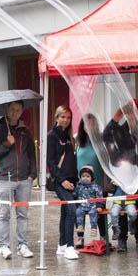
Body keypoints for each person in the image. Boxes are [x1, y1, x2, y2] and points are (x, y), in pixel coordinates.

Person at [0, 100, 36, 260]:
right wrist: (6, 144)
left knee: (22, 214)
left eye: (18, 109)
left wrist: (32, 174)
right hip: (5, 178)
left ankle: (23, 245)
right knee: (4, 214)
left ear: (22, 111)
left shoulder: (25, 131)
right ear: (7, 110)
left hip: (24, 179)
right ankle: (4, 246)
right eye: (12, 109)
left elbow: (31, 154)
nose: (15, 112)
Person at [47, 105, 78, 259]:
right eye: (63, 117)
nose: (66, 120)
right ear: (57, 117)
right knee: (71, 210)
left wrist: (74, 180)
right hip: (60, 181)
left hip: (71, 180)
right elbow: (51, 162)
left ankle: (62, 244)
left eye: (69, 117)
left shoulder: (68, 136)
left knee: (66, 211)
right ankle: (70, 246)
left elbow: (72, 160)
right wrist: (62, 180)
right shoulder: (52, 136)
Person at [73, 166, 104, 246]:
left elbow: (99, 196)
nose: (85, 178)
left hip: (92, 206)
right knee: (78, 212)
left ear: (91, 177)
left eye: (87, 176)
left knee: (93, 213)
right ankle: (80, 226)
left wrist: (99, 206)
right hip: (82, 206)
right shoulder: (79, 187)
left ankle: (93, 227)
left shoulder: (95, 187)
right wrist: (73, 191)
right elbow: (75, 195)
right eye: (83, 176)